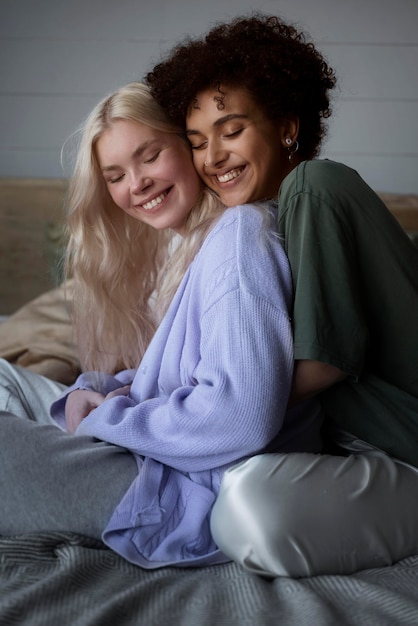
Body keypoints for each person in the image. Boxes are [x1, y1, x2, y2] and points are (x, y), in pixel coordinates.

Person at [0, 81, 323, 569]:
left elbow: (238, 413)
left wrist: (105, 418)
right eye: (115, 176)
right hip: (158, 462)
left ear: (189, 148)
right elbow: (187, 375)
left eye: (149, 157)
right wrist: (102, 391)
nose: (137, 184)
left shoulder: (238, 238)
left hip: (176, 492)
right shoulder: (198, 246)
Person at [145, 14, 418, 576]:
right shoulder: (256, 231)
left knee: (244, 509)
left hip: (405, 447)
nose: (213, 157)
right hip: (356, 452)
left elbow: (321, 365)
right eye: (197, 143)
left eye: (232, 129)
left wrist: (186, 413)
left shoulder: (314, 188)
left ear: (287, 126)